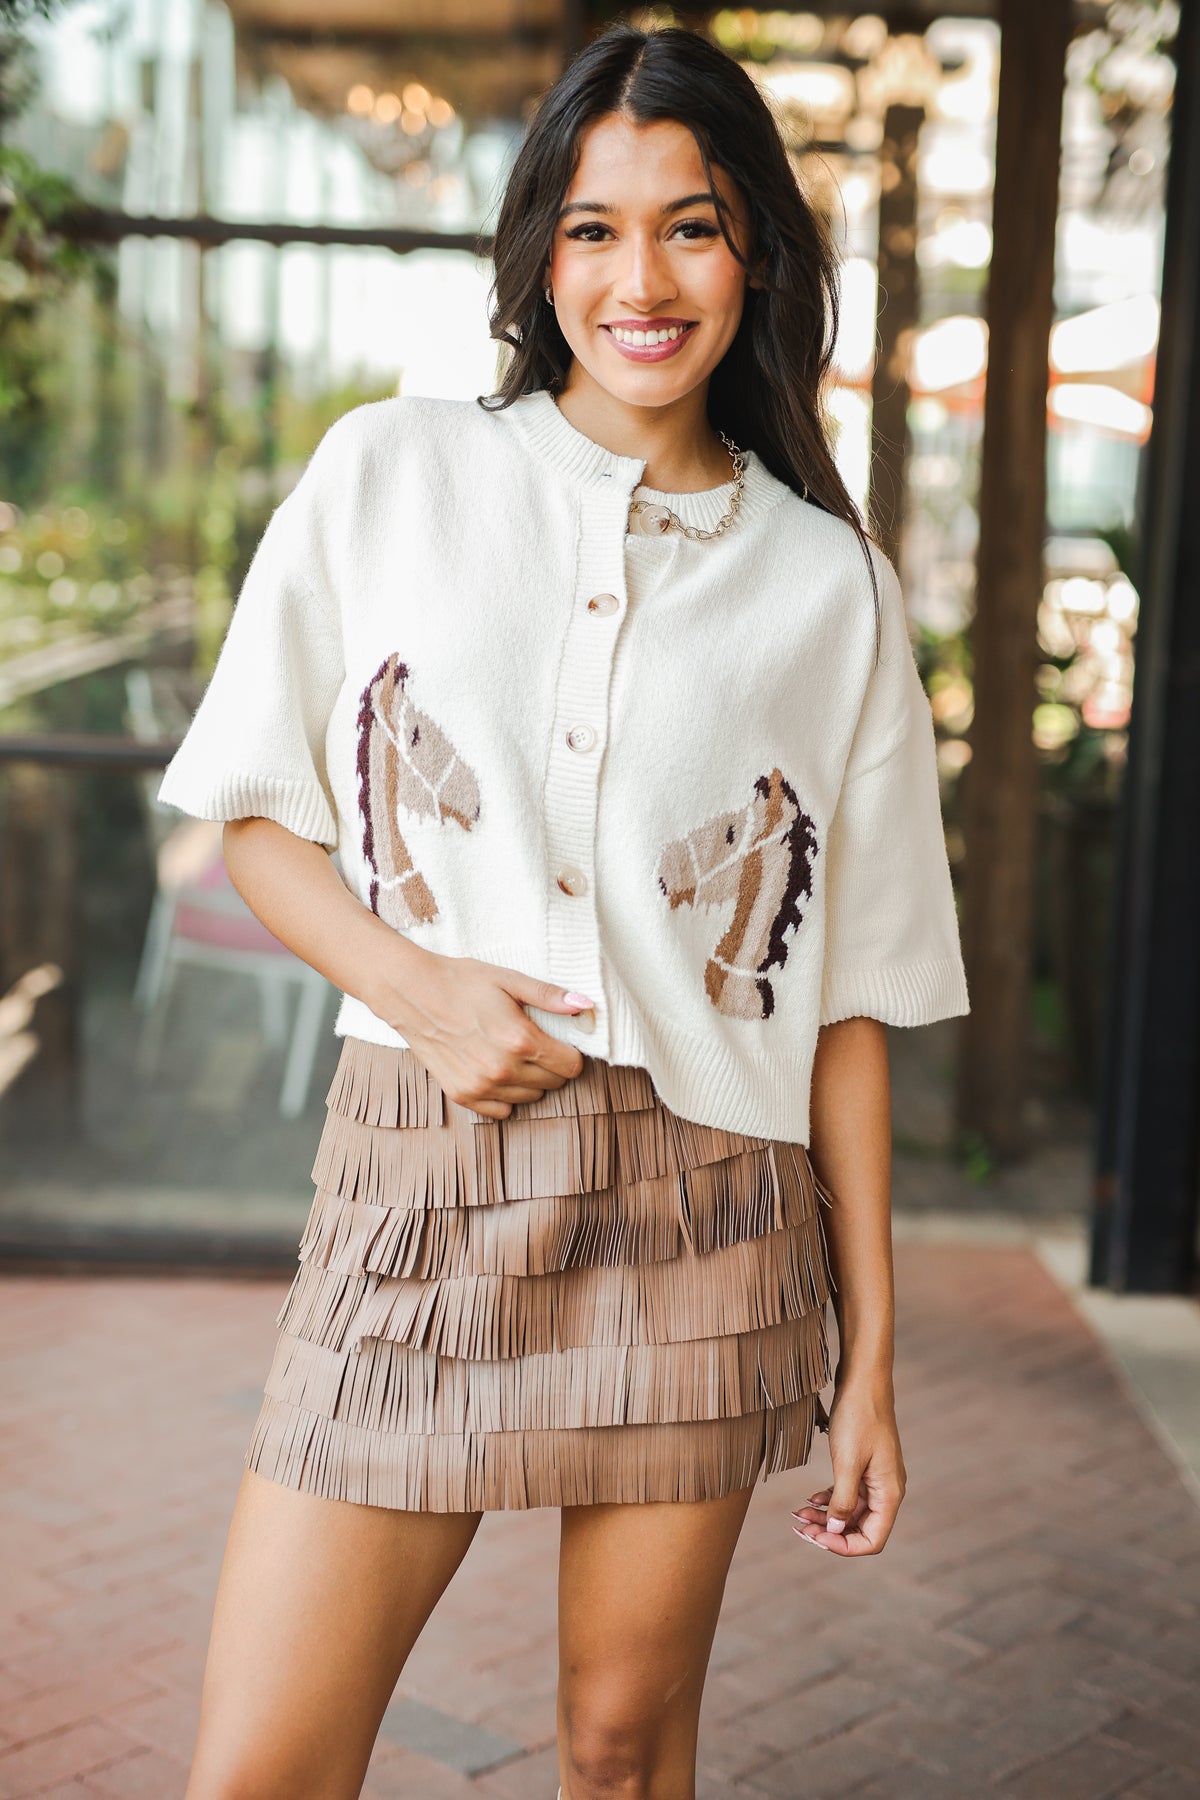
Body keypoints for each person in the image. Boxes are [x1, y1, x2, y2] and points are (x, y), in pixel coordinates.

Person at [159, 22, 969, 1800]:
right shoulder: (395, 473)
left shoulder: (829, 587)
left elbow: (842, 1008)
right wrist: (425, 993)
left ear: (754, 250)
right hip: (420, 1191)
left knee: (618, 1751)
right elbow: (253, 818)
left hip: (707, 1212)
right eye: (593, 229)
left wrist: (874, 1372)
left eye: (690, 225)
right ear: (538, 255)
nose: (642, 277)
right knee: (263, 1769)